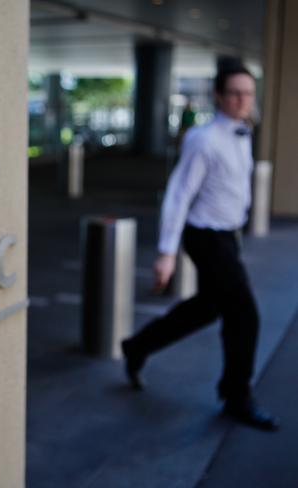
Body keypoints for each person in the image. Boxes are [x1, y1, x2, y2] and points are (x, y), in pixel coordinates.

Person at [120, 64, 279, 431]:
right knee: (244, 314)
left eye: (249, 93)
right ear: (219, 97)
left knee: (208, 308)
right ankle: (236, 396)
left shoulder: (243, 132)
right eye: (236, 93)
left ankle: (138, 346)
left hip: (228, 236)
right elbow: (178, 195)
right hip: (205, 236)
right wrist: (166, 253)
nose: (243, 100)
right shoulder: (202, 139)